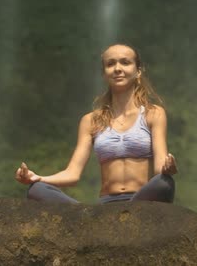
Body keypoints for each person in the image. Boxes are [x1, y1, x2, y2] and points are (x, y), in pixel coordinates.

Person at [15, 43, 178, 204]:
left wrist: (167, 169)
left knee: (164, 183)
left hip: (142, 199)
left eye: (125, 62)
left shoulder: (153, 113)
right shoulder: (91, 121)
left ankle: (119, 214)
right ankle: (88, 218)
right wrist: (38, 178)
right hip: (106, 202)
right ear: (104, 73)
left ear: (138, 71)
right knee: (36, 189)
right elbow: (72, 174)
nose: (117, 68)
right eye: (110, 64)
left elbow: (159, 169)